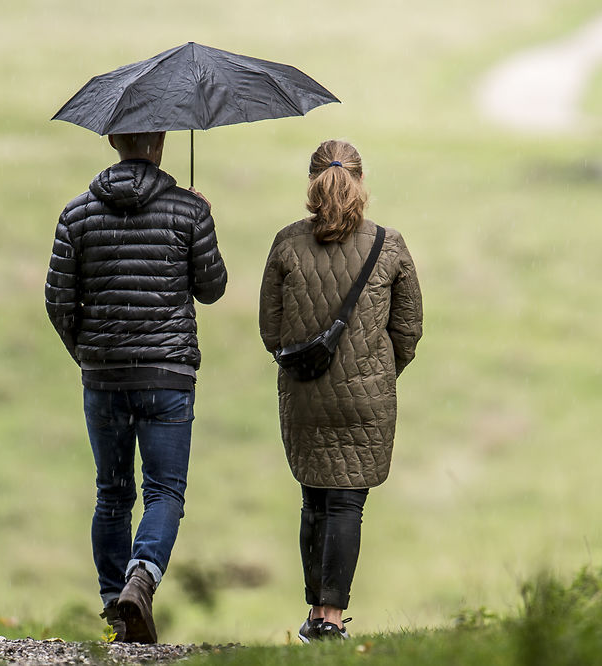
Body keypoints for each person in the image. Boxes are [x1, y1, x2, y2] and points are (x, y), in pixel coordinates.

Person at [45, 131, 227, 643]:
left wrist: (90, 355)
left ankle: (113, 606)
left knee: (112, 492)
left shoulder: (76, 213)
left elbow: (58, 302)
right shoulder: (188, 211)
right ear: (162, 143)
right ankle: (141, 579)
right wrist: (203, 218)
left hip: (103, 378)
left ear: (112, 140)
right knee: (164, 490)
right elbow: (212, 289)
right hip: (168, 376)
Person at [258, 139, 423, 642]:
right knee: (346, 505)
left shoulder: (287, 243)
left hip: (305, 395)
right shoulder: (389, 245)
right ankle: (332, 619)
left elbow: (271, 329)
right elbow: (409, 330)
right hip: (367, 399)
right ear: (361, 181)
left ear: (312, 183)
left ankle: (313, 617)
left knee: (314, 502)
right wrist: (375, 371)